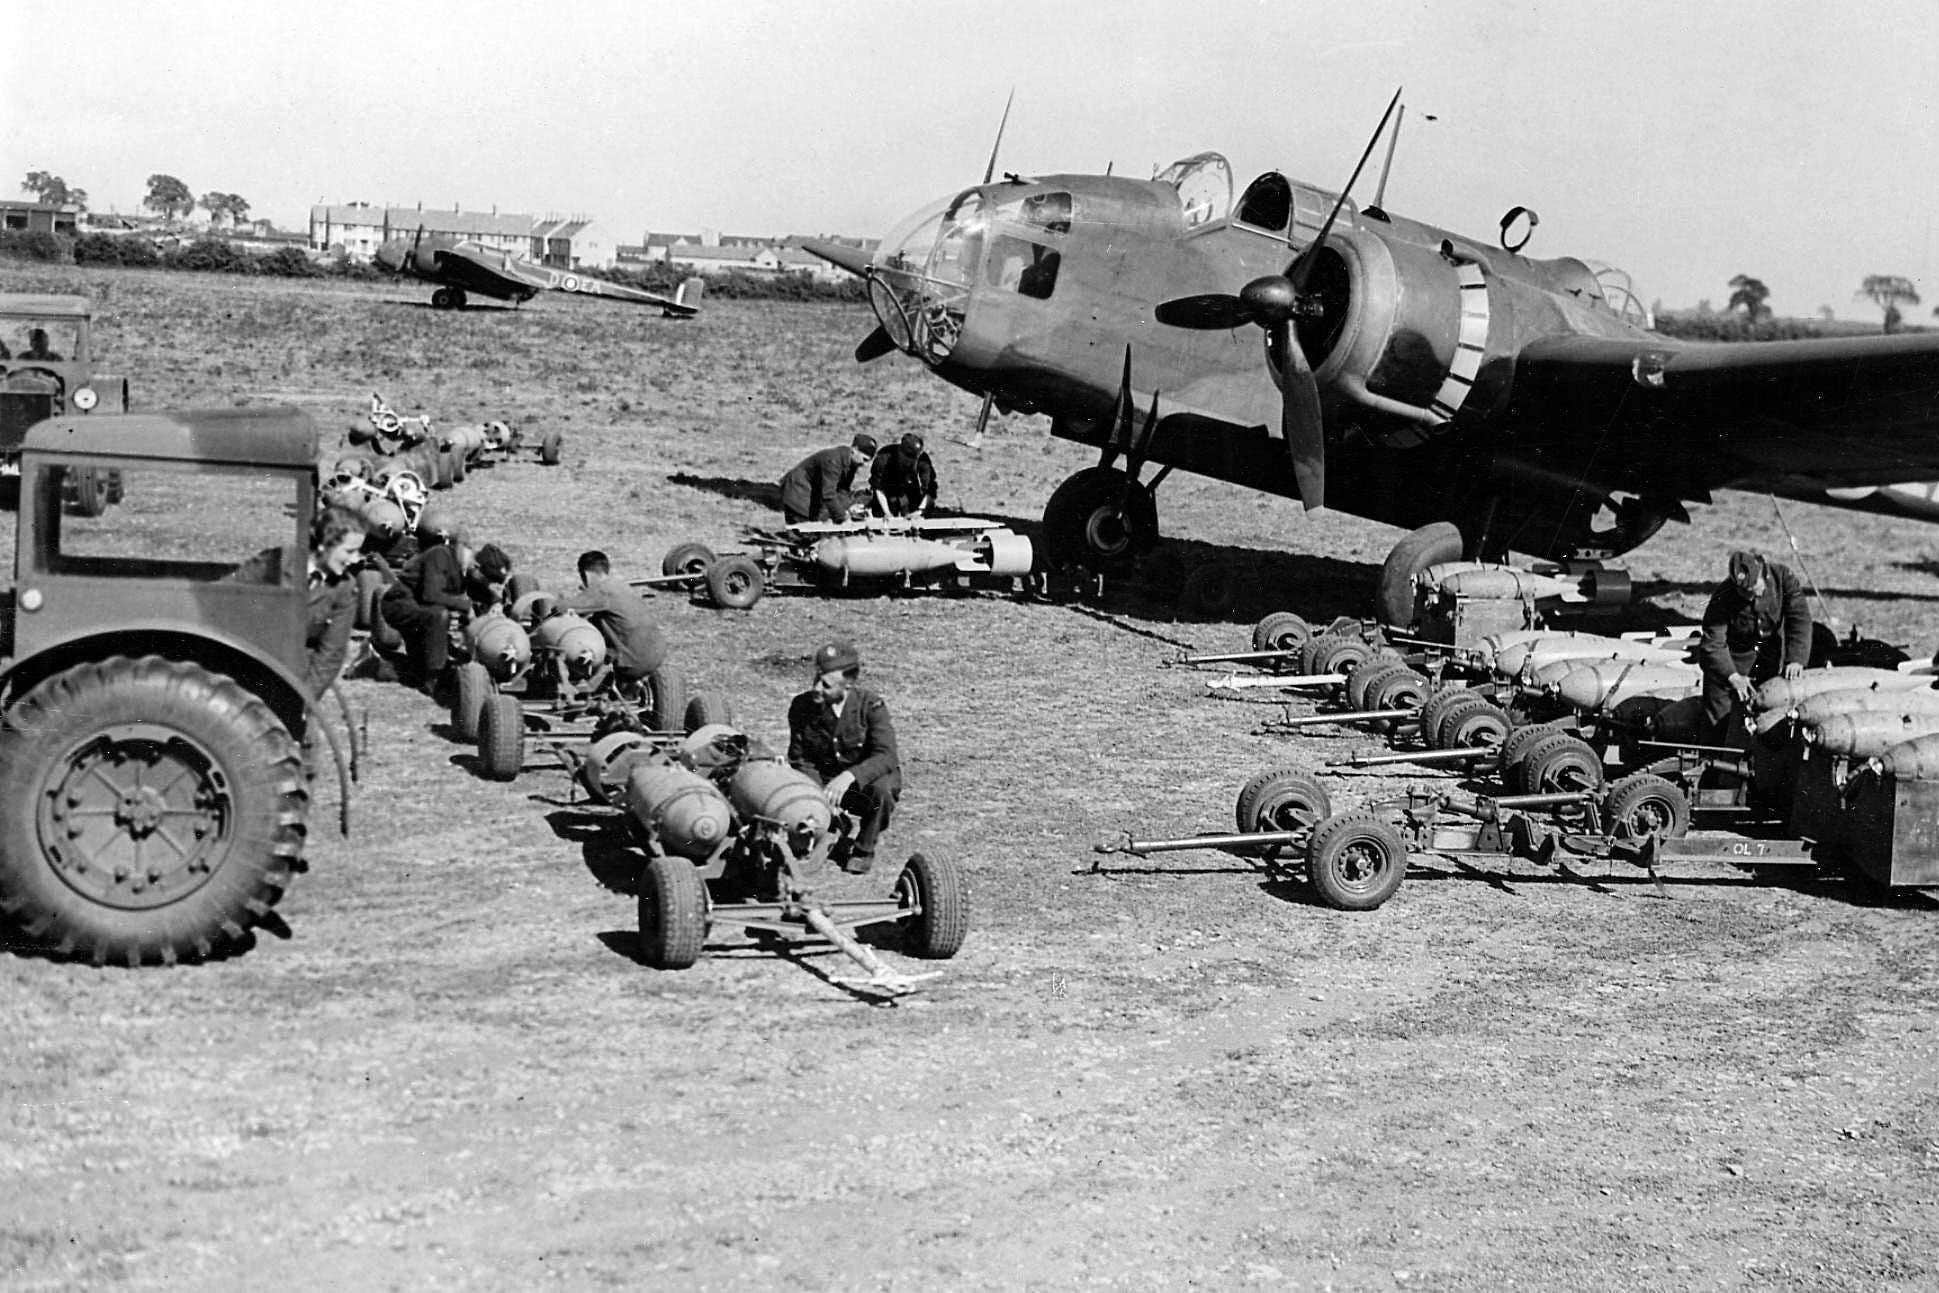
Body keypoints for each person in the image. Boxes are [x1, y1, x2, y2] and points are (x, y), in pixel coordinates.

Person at [787, 640, 901, 874]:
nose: (817, 688)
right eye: (816, 679)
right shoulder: (801, 706)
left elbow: (886, 756)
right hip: (825, 784)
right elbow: (800, 760)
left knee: (883, 789)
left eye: (826, 685)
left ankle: (863, 849)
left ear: (848, 684)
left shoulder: (871, 706)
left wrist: (850, 776)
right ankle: (828, 826)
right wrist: (819, 794)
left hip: (862, 784)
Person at [1698, 548, 1813, 738]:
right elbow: (1713, 643)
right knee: (1719, 720)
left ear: (1763, 572)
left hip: (1768, 658)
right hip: (1731, 661)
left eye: (1753, 589)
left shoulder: (1783, 578)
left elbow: (1799, 618)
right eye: (1743, 592)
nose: (1750, 597)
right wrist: (1732, 676)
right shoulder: (1723, 596)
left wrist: (1796, 659)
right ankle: (1713, 759)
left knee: (1770, 714)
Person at [379, 506, 471, 694]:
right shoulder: (439, 555)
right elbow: (432, 595)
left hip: (413, 602)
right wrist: (465, 606)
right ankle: (432, 679)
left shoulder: (444, 557)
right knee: (437, 616)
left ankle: (419, 667)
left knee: (435, 619)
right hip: (400, 603)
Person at [553, 550, 669, 690]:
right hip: (656, 655)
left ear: (586, 574)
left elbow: (562, 608)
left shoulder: (602, 590)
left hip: (632, 661)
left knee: (583, 654)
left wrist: (556, 603)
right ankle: (629, 689)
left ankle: (583, 691)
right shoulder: (621, 586)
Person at [304, 505, 368, 698]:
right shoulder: (280, 564)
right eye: (350, 551)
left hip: (297, 679)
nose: (355, 559)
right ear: (325, 545)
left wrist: (303, 699)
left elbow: (331, 654)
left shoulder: (345, 588)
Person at [779, 433, 877, 524]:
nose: (865, 465)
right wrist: (843, 518)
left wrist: (849, 508)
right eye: (864, 459)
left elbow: (842, 490)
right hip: (798, 493)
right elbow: (828, 494)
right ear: (854, 450)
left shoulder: (851, 462)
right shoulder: (833, 461)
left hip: (813, 493)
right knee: (811, 536)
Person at [869, 431, 938, 517]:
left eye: (914, 458)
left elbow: (930, 488)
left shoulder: (922, 460)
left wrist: (920, 511)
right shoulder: (883, 458)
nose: (911, 462)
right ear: (900, 452)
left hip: (909, 487)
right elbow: (878, 487)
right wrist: (887, 513)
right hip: (887, 490)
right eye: (908, 458)